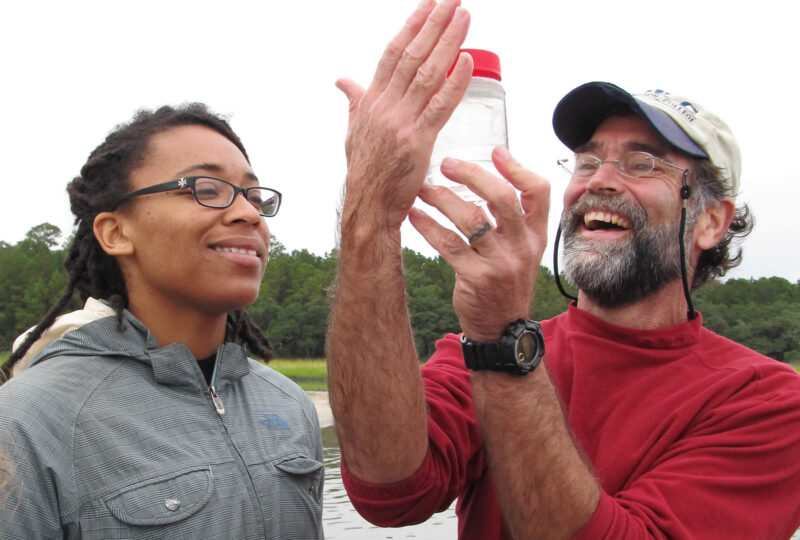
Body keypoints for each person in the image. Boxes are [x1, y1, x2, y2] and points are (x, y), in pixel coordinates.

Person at [326, 1, 800, 538]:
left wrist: (504, 343)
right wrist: (371, 218)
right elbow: (388, 493)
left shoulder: (769, 403)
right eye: (588, 161)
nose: (600, 179)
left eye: (642, 163)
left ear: (713, 220)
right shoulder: (470, 352)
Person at [0, 104, 324, 538]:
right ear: (116, 232)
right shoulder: (28, 420)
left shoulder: (287, 402)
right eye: (205, 189)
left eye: (253, 195)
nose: (248, 213)